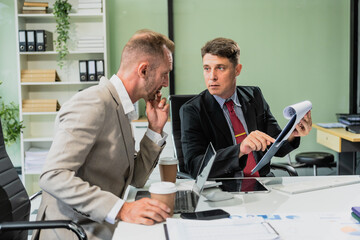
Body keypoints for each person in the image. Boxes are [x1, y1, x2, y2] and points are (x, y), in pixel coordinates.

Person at [32, 29, 174, 240]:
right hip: (74, 231)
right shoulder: (93, 103)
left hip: (99, 224)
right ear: (143, 70)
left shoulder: (121, 107)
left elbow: (135, 178)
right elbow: (53, 176)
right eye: (164, 74)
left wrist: (154, 129)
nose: (166, 83)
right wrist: (122, 209)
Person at [180, 37, 312, 179]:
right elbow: (195, 167)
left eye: (220, 68)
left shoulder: (254, 96)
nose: (212, 77)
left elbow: (274, 146)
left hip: (262, 182)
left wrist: (293, 134)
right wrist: (240, 150)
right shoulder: (192, 110)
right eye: (207, 69)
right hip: (223, 188)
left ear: (237, 70)